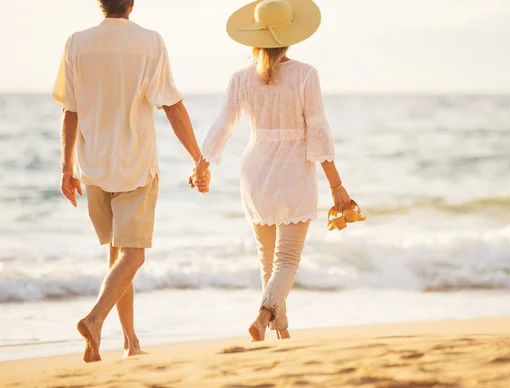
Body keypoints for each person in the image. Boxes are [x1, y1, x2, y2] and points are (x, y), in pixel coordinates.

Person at [52, 0, 209, 362]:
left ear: (100, 3)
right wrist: (198, 158)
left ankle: (130, 342)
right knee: (133, 256)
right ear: (132, 3)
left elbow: (69, 110)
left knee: (118, 256)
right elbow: (171, 105)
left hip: (93, 166)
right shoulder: (150, 42)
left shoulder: (76, 42)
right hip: (135, 166)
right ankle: (94, 320)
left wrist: (66, 169)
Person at [191, 0, 353, 341]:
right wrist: (337, 185)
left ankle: (281, 331)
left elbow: (224, 125)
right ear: (291, 37)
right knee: (287, 258)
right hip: (294, 170)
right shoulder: (306, 74)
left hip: (255, 170)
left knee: (268, 258)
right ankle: (264, 314)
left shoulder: (240, 78)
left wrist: (203, 163)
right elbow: (318, 131)